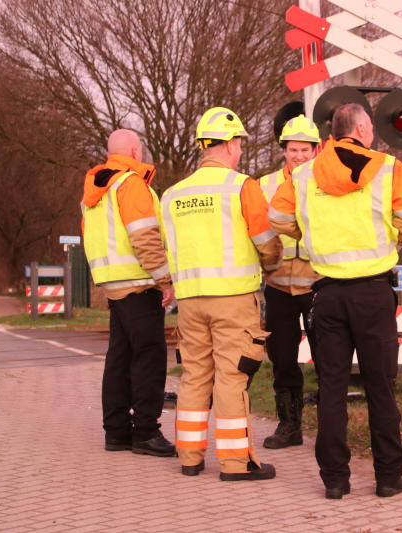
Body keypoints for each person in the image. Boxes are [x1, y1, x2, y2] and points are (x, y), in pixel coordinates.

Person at [268, 104, 402, 499]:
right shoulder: (388, 168)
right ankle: (389, 478)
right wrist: (389, 241)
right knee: (380, 387)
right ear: (360, 128)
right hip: (373, 292)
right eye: (371, 126)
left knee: (332, 388)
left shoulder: (304, 175)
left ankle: (335, 480)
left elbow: (277, 217)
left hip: (327, 293)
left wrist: (310, 236)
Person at [160, 107, 282, 480]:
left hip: (190, 302)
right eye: (240, 144)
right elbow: (267, 243)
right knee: (232, 377)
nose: (241, 152)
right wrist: (273, 262)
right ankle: (235, 463)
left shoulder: (171, 196)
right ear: (229, 144)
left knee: (195, 376)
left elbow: (167, 249)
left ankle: (190, 458)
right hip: (233, 299)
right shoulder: (242, 187)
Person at [81, 129, 176, 457]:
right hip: (138, 283)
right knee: (150, 357)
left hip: (112, 283)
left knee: (119, 359)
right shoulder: (132, 184)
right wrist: (165, 280)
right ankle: (146, 432)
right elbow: (145, 238)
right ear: (135, 151)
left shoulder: (96, 188)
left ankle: (117, 432)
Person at [256, 115, 321, 450]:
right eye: (293, 149)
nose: (298, 156)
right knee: (282, 357)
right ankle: (290, 426)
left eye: (304, 150)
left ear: (316, 149)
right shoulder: (264, 185)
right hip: (279, 284)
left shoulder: (326, 182)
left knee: (328, 357)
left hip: (317, 283)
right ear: (284, 150)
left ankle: (330, 426)